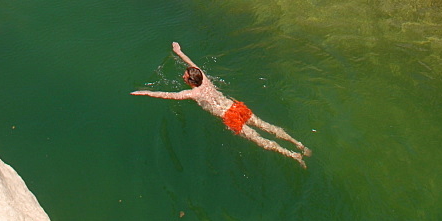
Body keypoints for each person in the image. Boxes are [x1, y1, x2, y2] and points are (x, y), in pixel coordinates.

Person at [132, 42, 311, 167]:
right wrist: (178, 51)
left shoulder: (193, 93)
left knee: (260, 140)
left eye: (185, 76)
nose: (183, 76)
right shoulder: (204, 78)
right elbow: (191, 63)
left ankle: (294, 155)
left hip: (229, 116)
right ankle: (299, 144)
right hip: (236, 107)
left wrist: (145, 92)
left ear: (191, 82)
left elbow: (167, 95)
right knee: (266, 126)